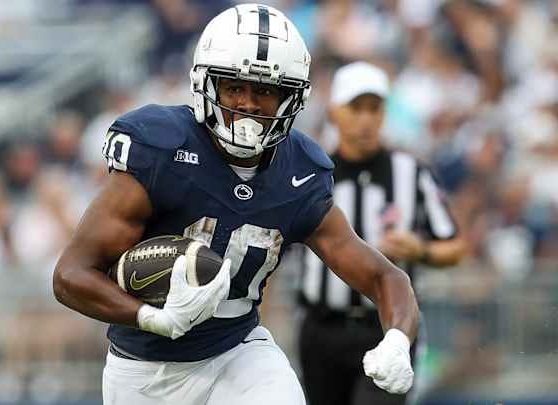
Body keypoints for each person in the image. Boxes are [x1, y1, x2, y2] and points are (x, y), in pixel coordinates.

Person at [53, 5, 419, 404]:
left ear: (291, 98)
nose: (247, 103)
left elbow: (386, 277)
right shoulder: (162, 150)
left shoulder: (299, 171)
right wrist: (150, 317)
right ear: (205, 85)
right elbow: (71, 275)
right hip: (143, 368)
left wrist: (398, 339)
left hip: (237, 353)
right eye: (234, 86)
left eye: (265, 90)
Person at [298, 62, 465, 405]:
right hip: (321, 329)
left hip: (388, 327)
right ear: (334, 111)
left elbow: (455, 246)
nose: (366, 120)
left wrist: (420, 250)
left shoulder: (412, 172)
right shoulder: (311, 174)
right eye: (355, 108)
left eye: (374, 109)